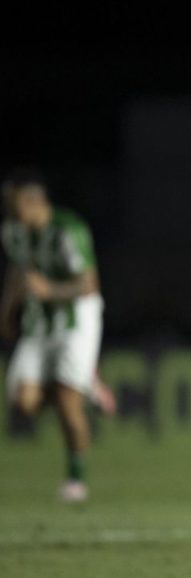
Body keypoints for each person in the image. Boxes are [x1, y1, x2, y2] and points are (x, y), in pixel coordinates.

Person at [0, 170, 106, 502]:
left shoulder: (67, 230)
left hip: (77, 322)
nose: (8, 208)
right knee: (23, 401)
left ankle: (76, 479)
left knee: (67, 403)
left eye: (13, 203)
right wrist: (6, 312)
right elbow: (18, 271)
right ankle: (81, 383)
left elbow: (88, 284)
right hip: (38, 325)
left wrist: (50, 290)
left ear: (32, 202)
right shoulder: (13, 231)